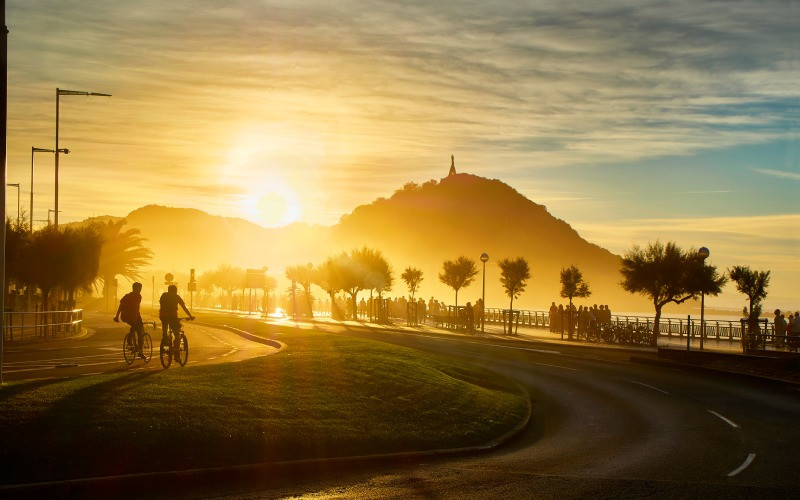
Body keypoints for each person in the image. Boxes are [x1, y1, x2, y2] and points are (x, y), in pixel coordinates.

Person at [159, 284, 195, 360]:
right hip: (172, 316)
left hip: (162, 315)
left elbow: (161, 304)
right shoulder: (176, 296)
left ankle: (165, 337)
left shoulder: (163, 295)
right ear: (175, 291)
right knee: (177, 333)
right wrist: (190, 316)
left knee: (165, 324)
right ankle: (176, 354)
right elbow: (184, 307)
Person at [114, 282, 145, 358]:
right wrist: (135, 317)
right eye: (140, 288)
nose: (140, 290)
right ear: (136, 288)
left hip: (126, 317)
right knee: (140, 332)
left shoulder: (127, 296)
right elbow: (136, 308)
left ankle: (130, 341)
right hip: (134, 316)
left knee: (134, 327)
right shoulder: (138, 296)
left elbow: (121, 306)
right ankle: (140, 351)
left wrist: (117, 316)